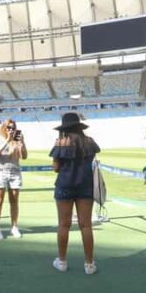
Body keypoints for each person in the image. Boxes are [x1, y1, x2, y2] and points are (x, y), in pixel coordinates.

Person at [49, 112, 100, 275]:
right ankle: (89, 264)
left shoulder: (61, 143)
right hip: (85, 185)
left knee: (64, 225)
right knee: (86, 225)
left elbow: (56, 168)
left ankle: (62, 261)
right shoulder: (89, 142)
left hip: (65, 185)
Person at [0, 119, 28, 239]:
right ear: (4, 128)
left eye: (13, 128)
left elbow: (24, 156)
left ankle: (14, 227)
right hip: (0, 172)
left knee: (14, 201)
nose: (11, 130)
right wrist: (7, 140)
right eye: (9, 127)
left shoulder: (17, 139)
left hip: (14, 172)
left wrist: (22, 144)